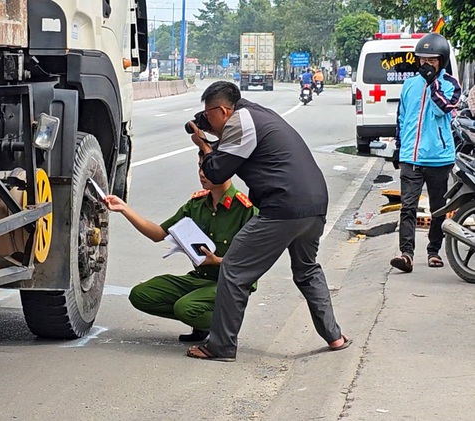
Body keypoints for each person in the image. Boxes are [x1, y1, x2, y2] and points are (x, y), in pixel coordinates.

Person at [185, 81, 350, 362]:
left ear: (223, 110)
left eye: (208, 115)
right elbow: (233, 154)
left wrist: (203, 143)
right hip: (314, 204)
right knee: (307, 270)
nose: (206, 120)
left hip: (283, 208)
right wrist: (212, 141)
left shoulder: (240, 122)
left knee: (234, 270)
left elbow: (216, 171)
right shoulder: (256, 115)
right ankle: (334, 337)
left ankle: (221, 347)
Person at [104, 151, 258, 342]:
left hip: (230, 283)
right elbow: (158, 234)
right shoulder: (197, 205)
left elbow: (256, 258)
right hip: (200, 279)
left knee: (185, 307)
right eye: (200, 166)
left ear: (228, 170)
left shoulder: (246, 210)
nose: (202, 173)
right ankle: (202, 321)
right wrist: (124, 209)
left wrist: (217, 260)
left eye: (208, 168)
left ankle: (226, 323)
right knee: (141, 295)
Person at [390, 33, 461, 272]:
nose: (426, 65)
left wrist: (433, 82)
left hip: (439, 158)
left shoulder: (450, 84)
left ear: (441, 61)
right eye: (422, 60)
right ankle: (406, 254)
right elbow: (401, 119)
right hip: (411, 157)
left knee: (437, 208)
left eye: (432, 60)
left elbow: (444, 107)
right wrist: (399, 149)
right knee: (407, 207)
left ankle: (434, 251)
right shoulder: (410, 85)